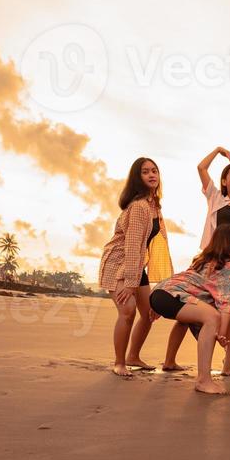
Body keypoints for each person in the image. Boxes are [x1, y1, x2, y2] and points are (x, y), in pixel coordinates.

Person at [163, 146, 230, 376]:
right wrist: (218, 150)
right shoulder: (215, 197)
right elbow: (201, 167)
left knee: (229, 313)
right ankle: (169, 360)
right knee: (188, 305)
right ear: (224, 180)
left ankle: (227, 364)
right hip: (210, 261)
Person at [98, 157, 174, 378]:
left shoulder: (154, 206)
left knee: (149, 313)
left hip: (134, 263)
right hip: (118, 262)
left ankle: (133, 356)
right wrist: (131, 283)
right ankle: (119, 362)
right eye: (145, 172)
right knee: (128, 310)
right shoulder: (140, 207)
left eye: (154, 171)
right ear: (137, 178)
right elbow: (132, 244)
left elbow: (150, 246)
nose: (152, 175)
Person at [150, 224, 230, 395]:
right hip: (173, 295)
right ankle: (203, 380)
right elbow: (227, 305)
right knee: (212, 317)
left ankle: (169, 362)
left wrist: (156, 303)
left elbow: (184, 280)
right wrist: (221, 334)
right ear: (225, 243)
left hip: (160, 292)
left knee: (186, 319)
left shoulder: (204, 259)